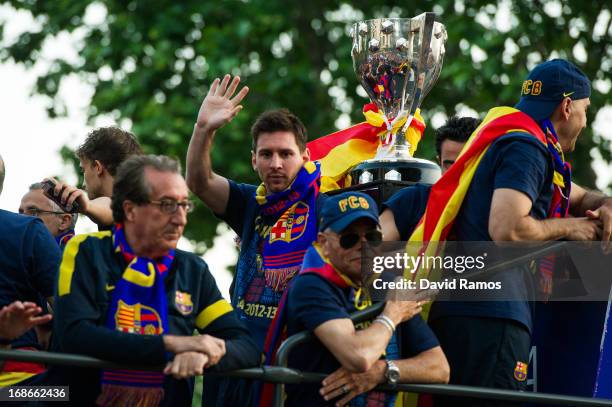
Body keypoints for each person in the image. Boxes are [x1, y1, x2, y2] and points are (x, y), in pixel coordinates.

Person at [408, 59, 610, 406]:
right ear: (566, 107)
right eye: (585, 110)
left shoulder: (512, 140)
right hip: (491, 318)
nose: (585, 121)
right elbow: (508, 229)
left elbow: (577, 195)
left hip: (468, 312)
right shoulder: (526, 147)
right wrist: (574, 227)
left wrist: (606, 203)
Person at [52, 155, 258, 406]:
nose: (180, 218)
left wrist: (204, 355)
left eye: (184, 206)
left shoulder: (192, 270)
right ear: (130, 209)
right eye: (168, 205)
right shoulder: (87, 251)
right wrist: (171, 345)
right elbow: (75, 335)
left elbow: (245, 344)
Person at [186, 75, 327, 404]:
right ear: (254, 160)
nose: (276, 163)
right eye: (266, 154)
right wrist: (204, 128)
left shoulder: (327, 209)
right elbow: (199, 180)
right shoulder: (250, 202)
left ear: (304, 157)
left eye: (285, 153)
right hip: (239, 358)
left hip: (295, 365)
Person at [264, 192, 448, 406]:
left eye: (371, 237)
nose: (362, 245)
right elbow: (359, 357)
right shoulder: (312, 285)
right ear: (324, 243)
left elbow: (439, 368)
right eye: (349, 238)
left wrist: (383, 370)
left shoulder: (389, 285)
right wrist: (393, 313)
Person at [0, 154, 61, 387]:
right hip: (19, 383)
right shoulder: (27, 230)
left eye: (34, 211)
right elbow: (72, 313)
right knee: (65, 394)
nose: (24, 215)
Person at [380, 116, 480, 241]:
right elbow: (374, 253)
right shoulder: (412, 200)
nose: (455, 173)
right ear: (439, 162)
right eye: (449, 165)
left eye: (465, 164)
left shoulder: (493, 206)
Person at [49, 126, 143, 228]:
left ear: (98, 167)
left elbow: (110, 206)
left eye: (83, 170)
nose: (84, 185)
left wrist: (87, 205)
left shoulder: (128, 205)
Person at [19, 182, 78, 249]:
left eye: (34, 213)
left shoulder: (76, 257)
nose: (21, 220)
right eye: (20, 213)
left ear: (63, 222)